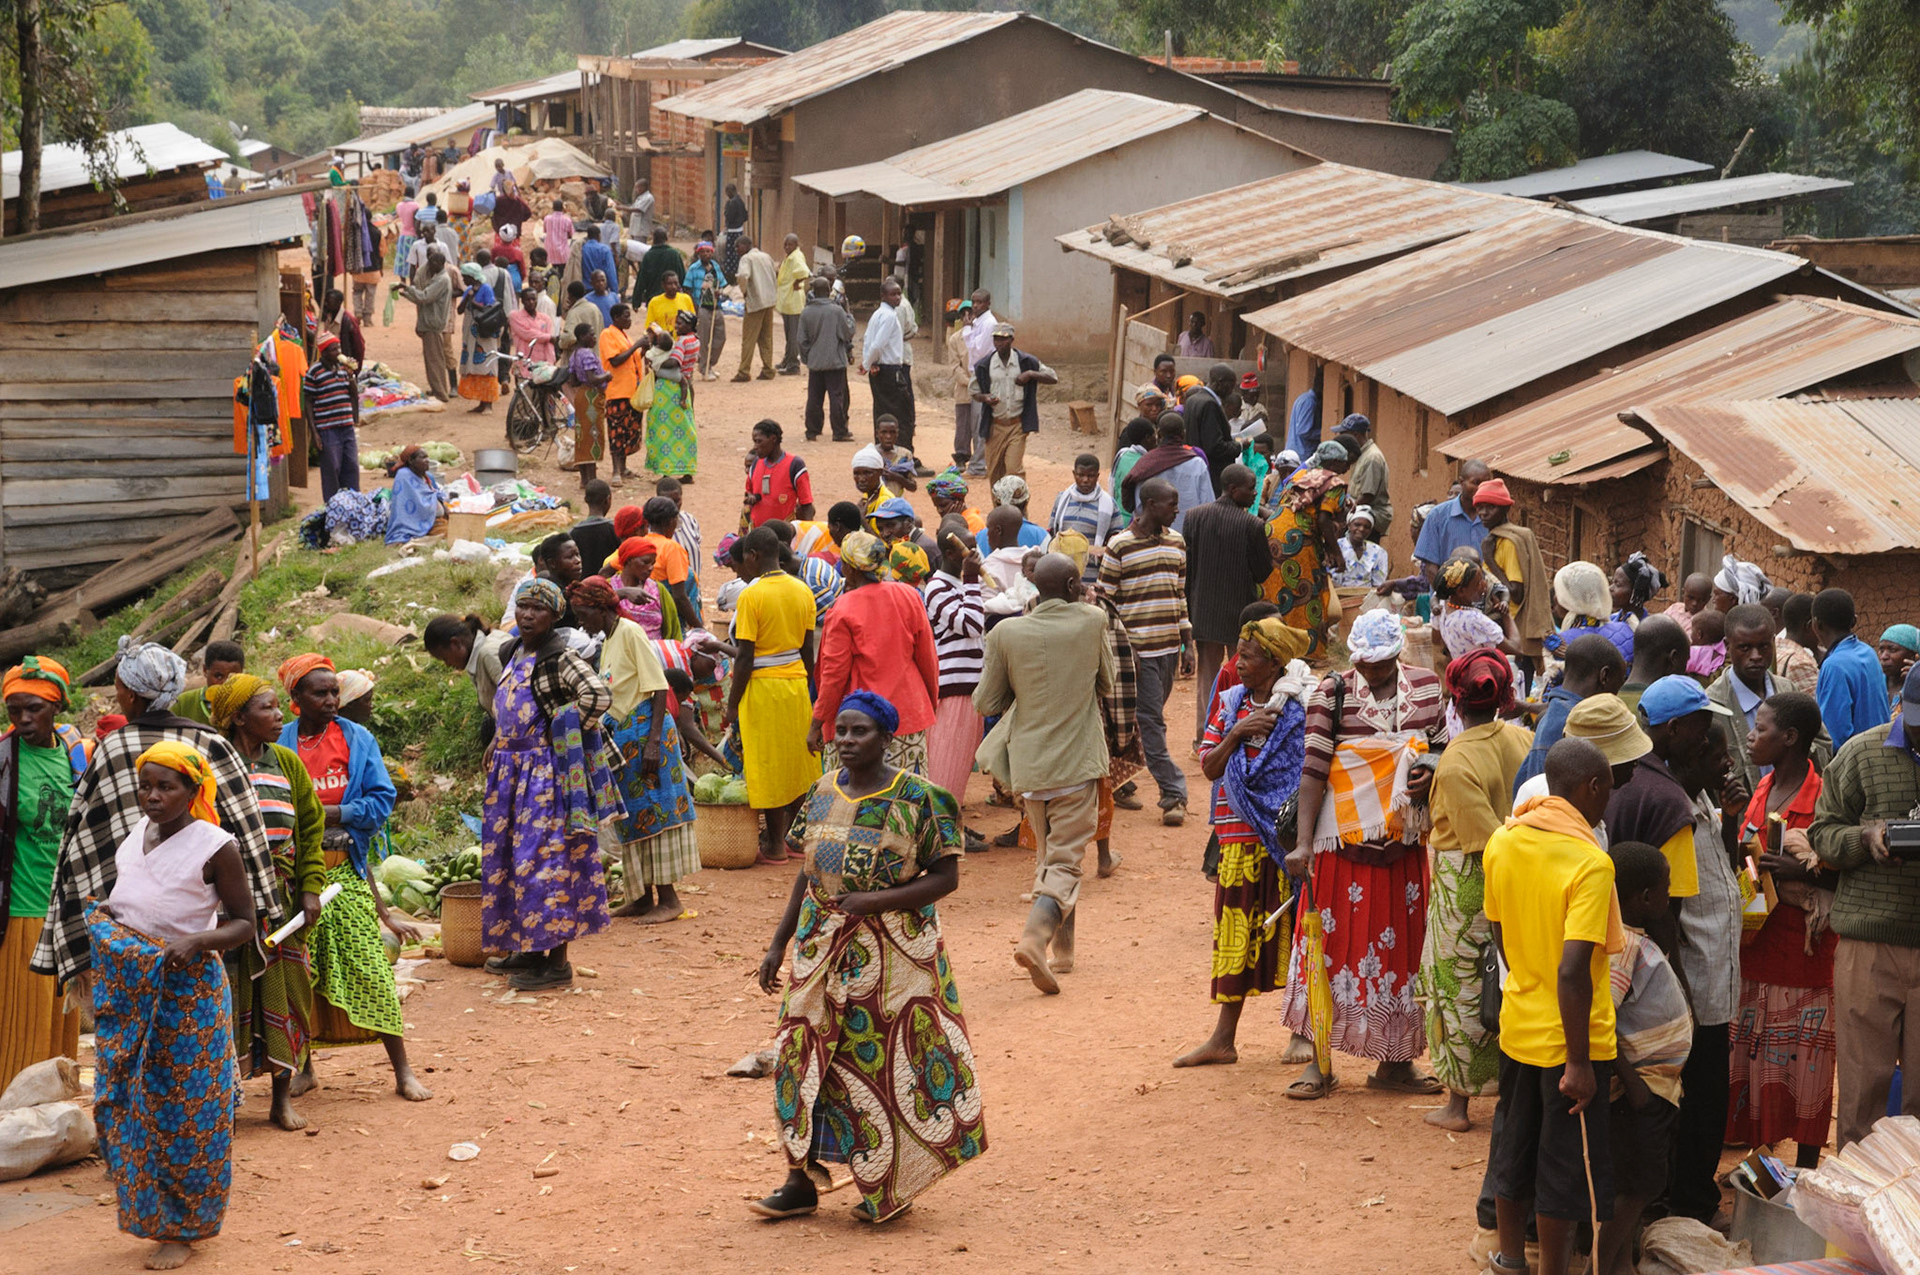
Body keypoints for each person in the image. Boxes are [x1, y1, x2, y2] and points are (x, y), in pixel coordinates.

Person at [750, 691, 984, 1223]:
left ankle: (889, 1187)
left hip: (897, 951)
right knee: (801, 1054)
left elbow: (945, 878)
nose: (848, 741)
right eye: (842, 731)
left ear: (887, 739)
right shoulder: (819, 792)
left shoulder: (921, 798)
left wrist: (873, 902)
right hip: (821, 944)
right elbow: (807, 874)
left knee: (880, 1061)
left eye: (861, 732)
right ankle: (799, 1180)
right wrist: (779, 943)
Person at [30, 641, 278, 998]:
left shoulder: (114, 747)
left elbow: (83, 838)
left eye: (117, 687)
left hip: (143, 940)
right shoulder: (211, 741)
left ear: (130, 694)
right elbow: (247, 825)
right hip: (212, 903)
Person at [91, 742, 257, 1272]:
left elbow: (244, 923)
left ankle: (185, 1228)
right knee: (129, 1100)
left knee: (187, 1114)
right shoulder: (137, 834)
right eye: (147, 786)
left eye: (167, 787)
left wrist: (199, 942)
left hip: (187, 996)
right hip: (132, 989)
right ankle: (147, 1212)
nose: (154, 797)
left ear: (193, 790)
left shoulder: (215, 846)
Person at [1281, 608, 1448, 1099]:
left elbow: (1442, 749)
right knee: (1327, 951)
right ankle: (1318, 1059)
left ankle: (1394, 1063)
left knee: (1402, 955)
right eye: (1365, 664)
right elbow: (1313, 771)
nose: (1372, 673)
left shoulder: (1426, 688)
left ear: (1397, 655)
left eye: (1381, 663)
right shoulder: (1330, 694)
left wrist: (1430, 766)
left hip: (1402, 847)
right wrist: (1304, 843)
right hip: (1344, 845)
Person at [1481, 736, 1622, 1275]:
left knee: (1513, 1151)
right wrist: (1581, 1063)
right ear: (1590, 788)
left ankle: (1510, 1259)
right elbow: (1573, 970)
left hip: (1518, 1028)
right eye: (1607, 788)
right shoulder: (1591, 862)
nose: (1609, 799)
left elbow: (1498, 932)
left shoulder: (1503, 840)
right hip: (1571, 1043)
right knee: (1565, 1172)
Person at [273, 655, 428, 1100]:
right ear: (296, 699)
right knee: (300, 977)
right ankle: (304, 1068)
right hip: (294, 876)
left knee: (371, 967)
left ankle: (402, 1071)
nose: (330, 700)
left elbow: (381, 799)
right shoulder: (280, 745)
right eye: (319, 693)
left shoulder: (357, 739)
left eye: (333, 691)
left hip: (345, 872)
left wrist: (329, 813)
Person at [1172, 619, 1314, 1068]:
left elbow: (1307, 773)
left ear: (1274, 662)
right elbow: (1209, 767)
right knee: (1235, 936)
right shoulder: (1232, 704)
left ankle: (1302, 1033)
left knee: (1295, 933)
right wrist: (1238, 731)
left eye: (1248, 656)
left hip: (1285, 839)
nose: (1238, 664)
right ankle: (1223, 1039)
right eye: (1238, 653)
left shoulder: (1300, 709)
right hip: (1236, 836)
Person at [1632, 679, 1744, 1223]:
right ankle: (1689, 1203)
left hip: (1711, 982)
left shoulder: (1694, 792)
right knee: (1696, 1099)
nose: (1716, 757)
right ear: (1674, 731)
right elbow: (1667, 912)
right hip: (1692, 985)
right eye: (1705, 739)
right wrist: (1678, 992)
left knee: (1703, 1095)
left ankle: (1688, 1197)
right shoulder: (1670, 798)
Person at [976, 554, 1113, 994]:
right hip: (1076, 763)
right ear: (1074, 586)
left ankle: (1064, 952)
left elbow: (988, 701)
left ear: (1035, 588)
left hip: (1030, 769)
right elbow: (1106, 683)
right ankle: (1035, 940)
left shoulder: (1007, 632)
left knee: (1050, 857)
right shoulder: (1092, 621)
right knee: (1066, 861)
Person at [1807, 660, 1920, 1147]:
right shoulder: (1859, 753)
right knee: (1860, 1095)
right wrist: (1866, 838)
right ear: (1902, 706)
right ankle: (1853, 1215)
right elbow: (1822, 836)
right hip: (1869, 944)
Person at [206, 674, 323, 1131]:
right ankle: (225, 1102)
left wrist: (310, 888)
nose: (280, 716)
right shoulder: (212, 767)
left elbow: (309, 831)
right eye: (268, 709)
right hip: (227, 905)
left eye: (278, 708)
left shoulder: (288, 765)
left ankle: (280, 1099)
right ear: (238, 718)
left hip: (282, 902)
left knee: (288, 994)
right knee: (228, 1001)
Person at [1423, 650, 1533, 1131]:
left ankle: (1458, 1105)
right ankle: (1510, 1094)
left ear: (1454, 697)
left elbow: (1484, 839)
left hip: (1468, 884)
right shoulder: (1523, 737)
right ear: (1507, 695)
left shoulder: (1456, 759)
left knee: (1460, 988)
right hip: (1523, 874)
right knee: (1507, 983)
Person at [1728, 690, 1835, 1168]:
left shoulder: (1825, 795)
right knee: (1754, 1061)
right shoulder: (1761, 788)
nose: (1751, 735)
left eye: (1762, 728)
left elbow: (1842, 865)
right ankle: (1761, 1165)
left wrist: (1795, 872)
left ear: (1790, 738)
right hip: (1757, 945)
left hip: (1804, 955)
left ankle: (1807, 1170)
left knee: (1805, 1064)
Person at [568, 578, 697, 927]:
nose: (582, 623)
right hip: (624, 735)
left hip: (645, 733)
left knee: (656, 813)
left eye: (584, 614)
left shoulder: (630, 632)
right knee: (633, 816)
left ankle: (669, 899)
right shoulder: (608, 639)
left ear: (600, 608)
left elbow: (657, 687)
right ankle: (640, 897)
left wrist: (653, 742)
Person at [1592, 840, 1694, 1275]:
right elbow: (1603, 1019)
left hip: (1656, 1083)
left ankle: (1619, 1266)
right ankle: (1600, 1266)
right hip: (1641, 1084)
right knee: (1638, 1186)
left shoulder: (1638, 939)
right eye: (1665, 888)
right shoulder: (1624, 946)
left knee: (1640, 1182)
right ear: (1645, 898)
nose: (1671, 895)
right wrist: (1631, 1082)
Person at [0, 658, 87, 1094]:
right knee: (20, 1033)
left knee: (60, 1034)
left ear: (57, 707)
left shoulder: (76, 754)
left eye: (34, 708)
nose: (23, 720)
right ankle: (14, 1122)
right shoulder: (3, 759)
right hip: (21, 913)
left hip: (66, 914)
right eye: (14, 710)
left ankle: (55, 1122)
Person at [724, 527, 820, 864]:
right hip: (796, 685)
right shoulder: (802, 591)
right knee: (797, 763)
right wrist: (811, 690)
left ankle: (775, 845)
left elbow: (746, 655)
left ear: (752, 556)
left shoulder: (751, 595)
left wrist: (732, 705)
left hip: (763, 687)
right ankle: (796, 839)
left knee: (767, 764)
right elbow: (808, 649)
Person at [1100, 479, 1192, 826]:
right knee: (1151, 721)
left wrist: (1188, 643)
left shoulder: (1177, 542)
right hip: (1137, 653)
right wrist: (1124, 650)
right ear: (1150, 504)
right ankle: (1173, 792)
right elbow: (1106, 604)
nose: (1176, 510)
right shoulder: (1119, 546)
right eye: (1171, 504)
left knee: (1142, 720)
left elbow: (1179, 595)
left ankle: (1118, 780)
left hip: (1169, 647)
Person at [809, 530, 939, 772]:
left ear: (850, 569)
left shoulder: (842, 609)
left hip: (860, 724)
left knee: (858, 801)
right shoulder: (908, 596)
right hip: (908, 715)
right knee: (904, 798)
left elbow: (833, 675)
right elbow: (927, 658)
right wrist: (928, 702)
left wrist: (818, 723)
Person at [1182, 465, 1273, 752]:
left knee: (1207, 679)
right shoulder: (1252, 525)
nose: (1256, 491)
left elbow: (1189, 566)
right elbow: (1262, 572)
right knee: (1244, 674)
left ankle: (1203, 738)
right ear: (1234, 490)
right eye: (1251, 487)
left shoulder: (1193, 517)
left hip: (1203, 611)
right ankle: (1238, 732)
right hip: (1241, 616)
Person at [1712, 603, 1832, 789]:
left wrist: (1792, 752)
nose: (1756, 656)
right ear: (1728, 646)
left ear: (1773, 642)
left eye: (1764, 646)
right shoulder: (1714, 705)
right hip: (1743, 815)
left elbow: (1822, 745)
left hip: (1793, 810)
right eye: (1745, 647)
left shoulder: (1788, 691)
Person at [1262, 440, 1352, 652]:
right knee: (1306, 591)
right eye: (1343, 463)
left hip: (1271, 533)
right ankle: (1307, 650)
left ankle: (1273, 646)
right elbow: (1323, 520)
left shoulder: (1299, 476)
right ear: (1331, 462)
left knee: (1277, 590)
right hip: (1298, 540)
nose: (1346, 468)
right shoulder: (1334, 483)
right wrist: (1337, 553)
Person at [1515, 634, 1627, 792]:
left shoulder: (1553, 716)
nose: (1616, 695)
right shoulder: (1576, 726)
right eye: (1618, 686)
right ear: (1604, 676)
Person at [924, 522, 986, 801]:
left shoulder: (958, 584)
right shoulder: (937, 588)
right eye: (968, 548)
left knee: (959, 764)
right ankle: (942, 829)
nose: (975, 553)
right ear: (951, 553)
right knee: (945, 764)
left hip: (969, 687)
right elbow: (973, 625)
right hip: (953, 688)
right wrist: (973, 580)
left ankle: (951, 823)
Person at [1474, 479, 1548, 672]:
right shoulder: (1496, 539)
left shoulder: (1508, 543)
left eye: (1490, 507)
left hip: (1513, 629)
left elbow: (1516, 592)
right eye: (1480, 507)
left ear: (1505, 509)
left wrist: (1489, 560)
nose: (1483, 512)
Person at [971, 323, 1056, 484]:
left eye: (1003, 339)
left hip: (1017, 426)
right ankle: (1000, 509)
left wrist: (1031, 374)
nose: (999, 343)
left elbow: (1053, 377)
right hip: (995, 426)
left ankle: (1018, 508)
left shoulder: (1026, 361)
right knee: (995, 473)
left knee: (1013, 471)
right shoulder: (985, 364)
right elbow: (974, 391)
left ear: (1011, 339)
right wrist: (985, 398)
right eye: (996, 339)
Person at [1813, 588, 1889, 748]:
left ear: (1816, 624)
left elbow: (1834, 736)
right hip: (1881, 750)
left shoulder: (1834, 665)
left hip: (1856, 763)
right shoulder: (1868, 652)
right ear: (1854, 621)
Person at [1121, 414, 1213, 527]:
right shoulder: (1197, 464)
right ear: (1183, 434)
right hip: (1189, 536)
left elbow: (1138, 507)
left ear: (1159, 434)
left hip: (1154, 537)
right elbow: (1208, 504)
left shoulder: (1145, 463)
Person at [1544, 560, 1637, 664]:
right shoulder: (1627, 630)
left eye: (1560, 592)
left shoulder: (1558, 644)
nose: (1556, 598)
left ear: (1569, 600)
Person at [796, 278, 854, 442]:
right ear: (829, 290)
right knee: (837, 397)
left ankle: (812, 430)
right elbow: (847, 332)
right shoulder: (836, 311)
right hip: (835, 362)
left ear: (813, 292)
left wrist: (808, 357)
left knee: (814, 397)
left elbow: (801, 340)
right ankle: (839, 431)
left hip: (816, 362)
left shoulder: (806, 312)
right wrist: (848, 313)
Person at [1413, 459, 1490, 581]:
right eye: (1475, 483)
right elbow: (1431, 567)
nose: (1481, 488)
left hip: (1485, 596)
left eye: (1486, 484)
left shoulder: (1493, 517)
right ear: (1461, 482)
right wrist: (1445, 593)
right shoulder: (1437, 516)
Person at [1048, 453, 1118, 585]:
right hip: (1062, 577)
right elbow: (1052, 533)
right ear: (1074, 474)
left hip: (1092, 579)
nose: (1085, 480)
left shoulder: (1109, 505)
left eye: (1090, 476)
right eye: (1081, 475)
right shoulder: (1062, 499)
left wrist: (1095, 550)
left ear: (1097, 476)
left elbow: (1116, 542)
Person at [597, 304, 645, 486]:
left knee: (628, 431)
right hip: (617, 392)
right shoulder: (607, 335)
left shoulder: (625, 336)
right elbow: (616, 360)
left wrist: (643, 350)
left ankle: (623, 468)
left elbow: (632, 360)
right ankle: (616, 470)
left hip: (631, 391)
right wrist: (637, 346)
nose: (629, 320)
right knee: (616, 431)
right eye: (626, 316)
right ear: (616, 318)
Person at [399, 245, 454, 400]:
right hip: (430, 322)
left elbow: (425, 297)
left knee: (434, 360)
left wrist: (407, 289)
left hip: (433, 324)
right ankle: (438, 389)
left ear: (437, 264)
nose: (428, 266)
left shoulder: (442, 280)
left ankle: (440, 392)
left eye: (431, 263)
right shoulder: (438, 278)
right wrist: (407, 293)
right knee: (434, 358)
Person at [645, 337, 698, 484]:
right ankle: (686, 472)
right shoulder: (680, 347)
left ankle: (666, 473)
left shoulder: (673, 352)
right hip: (672, 397)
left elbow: (673, 365)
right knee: (684, 431)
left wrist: (655, 364)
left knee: (662, 433)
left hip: (664, 396)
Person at [743, 419, 814, 528]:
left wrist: (807, 533)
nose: (755, 447)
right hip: (758, 533)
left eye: (759, 441)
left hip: (784, 536)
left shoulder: (794, 465)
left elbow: (806, 505)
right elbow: (749, 491)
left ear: (773, 439)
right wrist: (751, 496)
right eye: (754, 442)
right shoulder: (756, 464)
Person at [727, 235, 778, 381]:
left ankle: (744, 371)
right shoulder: (766, 256)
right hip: (769, 301)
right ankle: (768, 369)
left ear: (745, 245)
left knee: (749, 338)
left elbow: (743, 275)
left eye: (738, 246)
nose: (736, 250)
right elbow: (774, 276)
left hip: (755, 302)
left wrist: (744, 292)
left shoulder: (746, 259)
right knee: (766, 337)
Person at [1181, 365, 1240, 488]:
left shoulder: (1193, 399)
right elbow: (1215, 447)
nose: (1231, 391)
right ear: (1220, 382)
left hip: (1194, 468)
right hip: (1211, 474)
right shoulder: (1209, 404)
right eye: (1231, 386)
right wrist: (1239, 445)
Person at [1338, 414, 1393, 541]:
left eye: (1344, 434)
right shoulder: (1360, 455)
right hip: (1360, 508)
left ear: (1356, 435)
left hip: (1371, 513)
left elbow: (1368, 496)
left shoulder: (1372, 458)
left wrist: (1348, 511)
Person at [1620, 614, 1691, 711]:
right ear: (1673, 659)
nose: (1685, 671)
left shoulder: (1605, 703)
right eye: (1685, 661)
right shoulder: (1670, 711)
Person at [384, 444, 450, 544]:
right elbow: (412, 506)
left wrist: (444, 509)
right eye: (423, 457)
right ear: (411, 461)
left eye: (427, 457)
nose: (427, 460)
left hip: (436, 520)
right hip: (418, 524)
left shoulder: (428, 477)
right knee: (450, 533)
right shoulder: (404, 475)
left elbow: (436, 495)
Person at [684, 240, 728, 380]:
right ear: (698, 253)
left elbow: (722, 284)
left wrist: (719, 292)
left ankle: (710, 363)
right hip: (702, 307)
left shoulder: (716, 267)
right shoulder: (693, 269)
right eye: (702, 252)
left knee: (721, 337)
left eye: (708, 251)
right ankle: (704, 369)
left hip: (716, 306)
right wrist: (694, 307)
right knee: (703, 339)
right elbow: (687, 288)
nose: (705, 254)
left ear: (712, 252)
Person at [774, 234, 810, 374]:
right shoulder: (790, 257)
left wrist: (797, 282)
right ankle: (787, 359)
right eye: (785, 244)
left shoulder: (796, 256)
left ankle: (793, 365)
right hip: (787, 301)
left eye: (790, 244)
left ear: (796, 244)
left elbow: (804, 272)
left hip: (793, 302)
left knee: (793, 335)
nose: (787, 247)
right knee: (789, 334)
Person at [1330, 506, 1389, 588]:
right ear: (1349, 525)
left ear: (1371, 530)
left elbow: (1378, 585)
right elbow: (1328, 580)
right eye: (1357, 525)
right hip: (1336, 596)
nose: (1361, 529)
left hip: (1367, 597)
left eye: (1367, 527)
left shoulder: (1378, 552)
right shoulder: (1335, 547)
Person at [1777, 591, 1822, 695]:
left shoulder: (1774, 647)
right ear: (1810, 625)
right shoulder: (1801, 663)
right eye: (1820, 625)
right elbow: (1817, 707)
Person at [1879, 623, 1919, 713]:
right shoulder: (1874, 683)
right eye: (1881, 650)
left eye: (1892, 650)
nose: (1884, 656)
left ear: (1913, 656)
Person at [1662, 573, 1713, 640]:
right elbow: (1659, 627)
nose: (1694, 603)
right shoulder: (1674, 608)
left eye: (1701, 600)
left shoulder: (1705, 622)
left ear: (1708, 599)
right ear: (1683, 593)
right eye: (1691, 597)